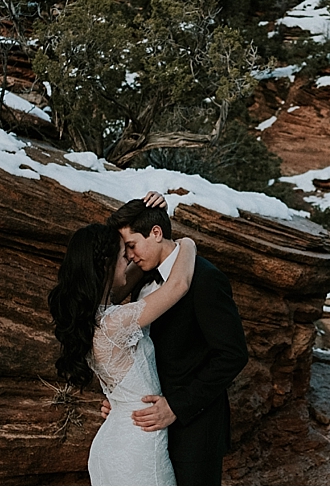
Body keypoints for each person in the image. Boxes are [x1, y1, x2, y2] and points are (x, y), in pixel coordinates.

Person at [48, 194, 197, 486]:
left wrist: (151, 221)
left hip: (115, 438)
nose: (128, 258)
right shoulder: (115, 322)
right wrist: (185, 243)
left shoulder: (92, 316)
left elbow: (123, 278)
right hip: (137, 448)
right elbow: (179, 283)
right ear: (105, 267)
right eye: (122, 255)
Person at [104, 198, 249, 486]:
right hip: (147, 428)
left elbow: (232, 354)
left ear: (156, 233)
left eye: (131, 245)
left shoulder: (206, 279)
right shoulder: (142, 281)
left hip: (194, 428)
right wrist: (121, 398)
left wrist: (176, 406)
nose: (129, 255)